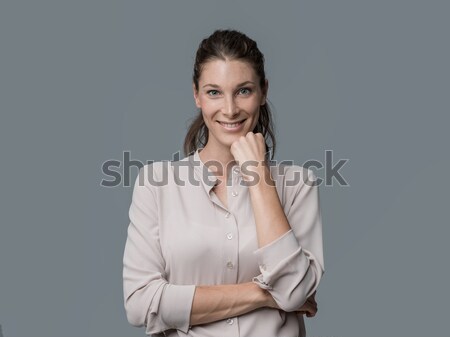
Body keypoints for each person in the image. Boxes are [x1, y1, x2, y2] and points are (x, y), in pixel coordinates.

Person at [123, 29, 324, 337]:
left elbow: (294, 294)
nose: (230, 109)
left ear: (263, 90)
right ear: (196, 95)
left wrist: (259, 177)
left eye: (243, 90)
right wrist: (265, 294)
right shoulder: (156, 185)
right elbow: (140, 303)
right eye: (214, 92)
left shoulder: (297, 185)